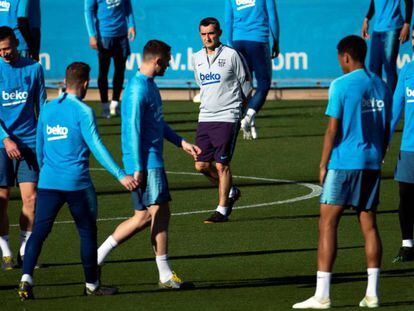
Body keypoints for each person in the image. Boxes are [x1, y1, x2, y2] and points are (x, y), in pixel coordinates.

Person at [17, 62, 139, 300]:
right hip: (77, 185)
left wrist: (48, 173)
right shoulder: (83, 111)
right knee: (86, 233)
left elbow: (40, 149)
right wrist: (120, 174)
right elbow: (97, 146)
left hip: (48, 183)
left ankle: (26, 280)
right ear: (85, 84)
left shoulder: (47, 109)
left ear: (65, 80)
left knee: (39, 232)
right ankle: (92, 285)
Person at [292, 35, 391, 309]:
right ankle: (373, 294)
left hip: (344, 163)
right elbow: (386, 129)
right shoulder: (382, 86)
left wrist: (323, 164)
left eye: (340, 58)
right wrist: (379, 155)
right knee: (369, 226)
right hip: (371, 163)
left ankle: (322, 295)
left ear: (346, 57)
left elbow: (332, 129)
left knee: (327, 224)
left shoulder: (341, 85)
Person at [96, 40, 201, 289]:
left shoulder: (150, 86)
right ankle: (165, 275)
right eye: (168, 60)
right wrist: (139, 166)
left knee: (142, 217)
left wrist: (181, 142)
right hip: (147, 162)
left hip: (149, 161)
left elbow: (157, 123)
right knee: (161, 214)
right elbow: (132, 130)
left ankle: (96, 257)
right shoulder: (137, 90)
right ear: (157, 60)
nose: (170, 64)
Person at [192, 17, 252, 223]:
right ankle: (231, 191)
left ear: (219, 33)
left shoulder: (232, 55)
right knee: (200, 165)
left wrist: (240, 113)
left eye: (211, 33)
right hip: (205, 117)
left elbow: (246, 86)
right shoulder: (196, 57)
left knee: (221, 165)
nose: (207, 37)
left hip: (228, 116)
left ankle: (222, 209)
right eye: (203, 34)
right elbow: (201, 84)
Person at [0, 26, 46, 270]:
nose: (3, 54)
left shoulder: (34, 68)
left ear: (16, 43)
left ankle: (24, 250)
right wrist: (5, 139)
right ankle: (5, 249)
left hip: (29, 141)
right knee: (2, 199)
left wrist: (44, 138)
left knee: (32, 198)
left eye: (7, 48)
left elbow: (42, 105)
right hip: (1, 143)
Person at [225, 0, 279, 140]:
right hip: (258, 40)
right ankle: (248, 118)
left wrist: (230, 44)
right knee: (264, 85)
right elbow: (272, 16)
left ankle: (250, 122)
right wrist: (276, 41)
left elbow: (228, 20)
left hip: (238, 41)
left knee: (246, 86)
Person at [84, 0, 136, 118]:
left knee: (120, 70)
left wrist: (131, 24)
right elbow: (88, 11)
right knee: (103, 72)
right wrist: (92, 35)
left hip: (122, 35)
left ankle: (115, 103)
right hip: (104, 36)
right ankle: (104, 106)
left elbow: (127, 5)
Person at [389, 54, 414, 263]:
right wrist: (384, 140)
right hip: (409, 146)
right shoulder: (407, 70)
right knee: (406, 196)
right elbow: (395, 108)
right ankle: (408, 244)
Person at [362, 0, 413, 92]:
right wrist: (367, 18)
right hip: (377, 29)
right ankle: (378, 100)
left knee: (389, 66)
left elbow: (409, 2)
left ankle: (392, 102)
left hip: (392, 28)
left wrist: (407, 25)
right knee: (374, 67)